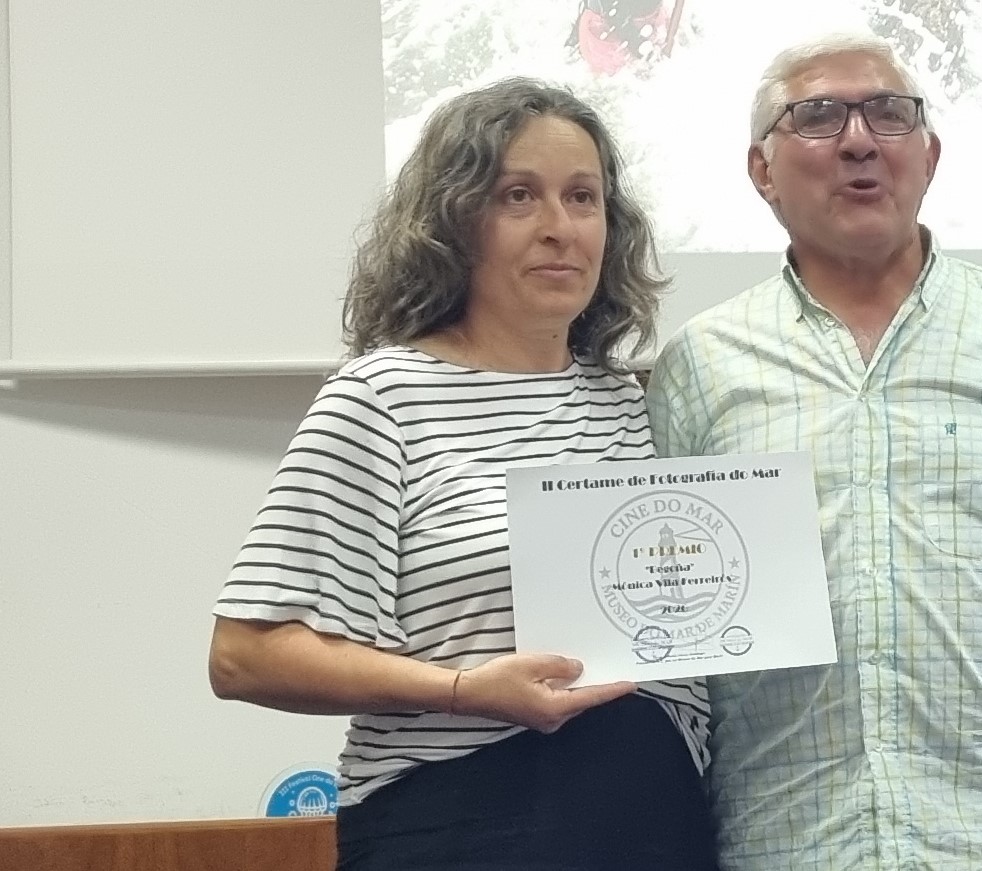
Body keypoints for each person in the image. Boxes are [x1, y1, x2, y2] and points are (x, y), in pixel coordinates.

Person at [645, 33, 982, 871]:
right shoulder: (700, 365)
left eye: (889, 114)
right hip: (786, 844)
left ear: (929, 156)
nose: (859, 140)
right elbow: (671, 630)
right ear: (761, 170)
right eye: (817, 116)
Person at [209, 77, 717, 871]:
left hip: (656, 823)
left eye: (582, 197)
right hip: (461, 823)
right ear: (454, 220)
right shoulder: (381, 398)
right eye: (519, 196)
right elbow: (245, 654)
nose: (559, 227)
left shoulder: (633, 401)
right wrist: (463, 688)